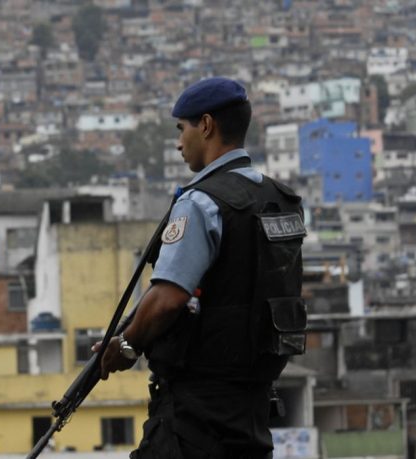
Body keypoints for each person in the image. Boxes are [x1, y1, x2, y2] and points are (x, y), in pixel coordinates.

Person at [94, 77, 307, 458]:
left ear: (206, 126)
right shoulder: (280, 200)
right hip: (252, 413)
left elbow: (168, 298)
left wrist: (127, 346)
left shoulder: (202, 203)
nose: (178, 143)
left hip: (195, 418)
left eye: (182, 129)